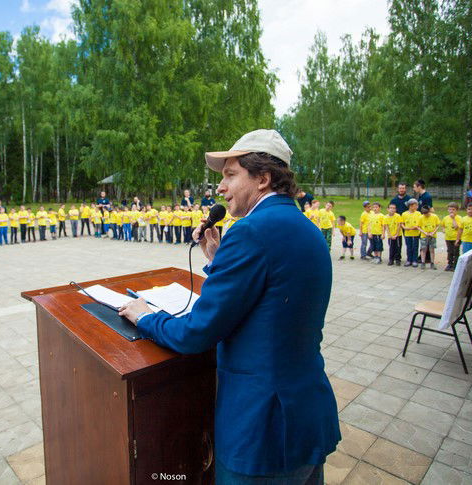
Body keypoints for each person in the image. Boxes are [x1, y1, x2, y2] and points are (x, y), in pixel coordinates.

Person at [118, 129, 339, 483]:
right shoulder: (307, 229)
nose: (221, 187)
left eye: (230, 175)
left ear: (264, 179)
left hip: (263, 429)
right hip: (307, 418)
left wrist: (146, 317)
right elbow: (272, 300)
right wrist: (220, 260)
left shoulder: (250, 231)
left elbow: (196, 333)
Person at [401, 199, 422, 267]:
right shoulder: (404, 214)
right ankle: (409, 260)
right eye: (415, 205)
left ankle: (414, 260)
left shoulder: (418, 213)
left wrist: (417, 226)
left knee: (415, 247)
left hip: (416, 234)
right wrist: (405, 228)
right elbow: (402, 223)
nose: (417, 206)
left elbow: (420, 222)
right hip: (407, 234)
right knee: (409, 247)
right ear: (411, 206)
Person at [442, 203, 463, 272]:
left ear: (456, 210)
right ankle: (449, 264)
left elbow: (456, 227)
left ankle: (455, 265)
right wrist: (443, 229)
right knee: (449, 251)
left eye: (453, 210)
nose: (451, 211)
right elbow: (443, 225)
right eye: (450, 209)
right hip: (448, 238)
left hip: (456, 238)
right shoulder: (446, 218)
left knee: (456, 252)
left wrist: (453, 218)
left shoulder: (459, 218)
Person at [418, 205, 439, 270]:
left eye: (427, 213)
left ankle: (432, 263)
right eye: (424, 214)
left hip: (432, 236)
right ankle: (423, 262)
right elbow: (418, 227)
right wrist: (424, 232)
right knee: (423, 249)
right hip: (424, 236)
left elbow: (437, 225)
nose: (425, 215)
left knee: (432, 249)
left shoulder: (434, 217)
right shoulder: (421, 217)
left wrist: (433, 232)